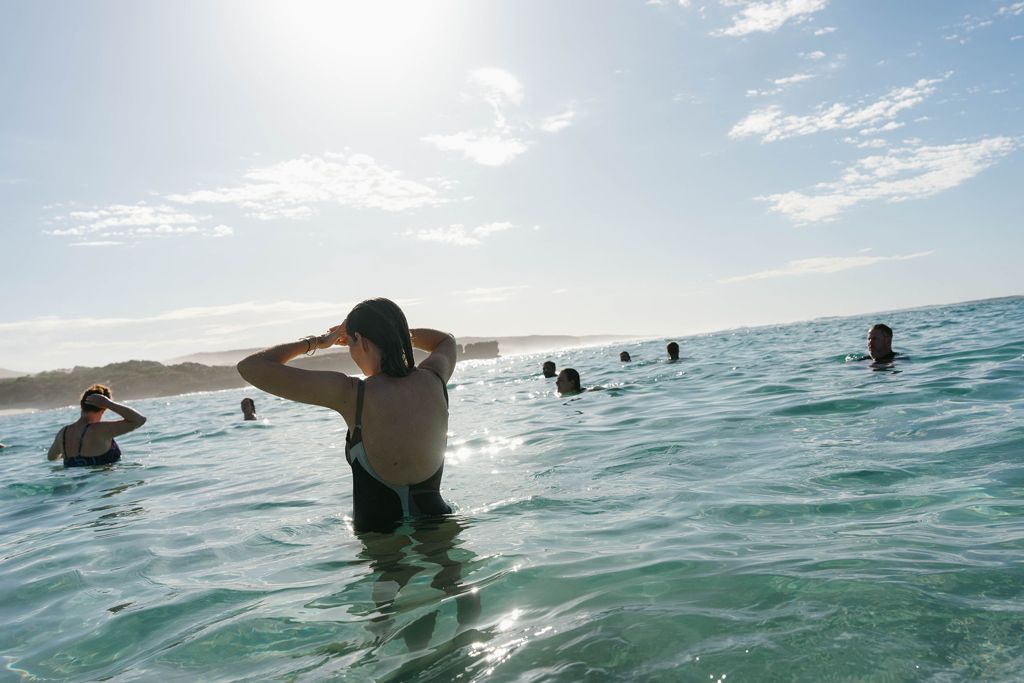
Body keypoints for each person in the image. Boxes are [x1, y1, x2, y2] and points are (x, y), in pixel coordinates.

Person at [237, 298, 456, 534]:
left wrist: (318, 342)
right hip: (439, 526)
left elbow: (249, 367)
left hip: (382, 541)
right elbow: (446, 340)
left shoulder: (351, 394)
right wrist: (392, 331)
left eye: (350, 342)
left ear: (359, 339)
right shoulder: (435, 377)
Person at [47, 384, 147, 467]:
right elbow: (139, 420)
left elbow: (51, 457)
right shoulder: (101, 430)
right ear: (104, 408)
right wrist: (109, 403)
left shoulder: (63, 433)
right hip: (101, 483)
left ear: (82, 405)